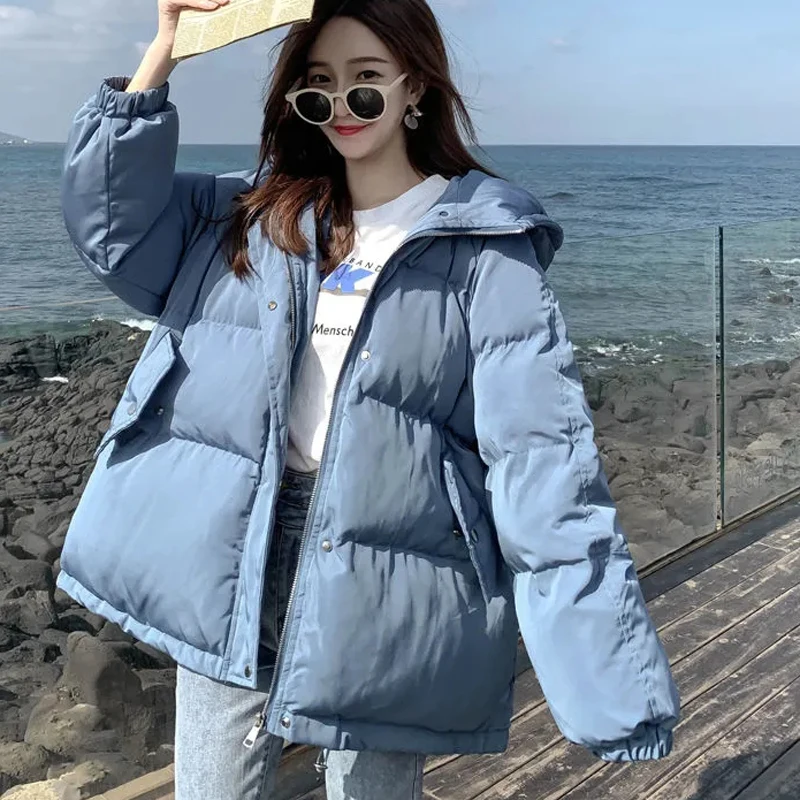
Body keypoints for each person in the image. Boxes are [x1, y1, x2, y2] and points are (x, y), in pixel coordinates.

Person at [57, 0, 681, 797]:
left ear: (415, 86)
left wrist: (608, 680)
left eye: (364, 82)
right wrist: (166, 49)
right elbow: (109, 226)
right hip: (235, 553)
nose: (341, 108)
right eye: (317, 87)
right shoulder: (250, 216)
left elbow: (541, 456)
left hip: (395, 573)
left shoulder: (485, 246)